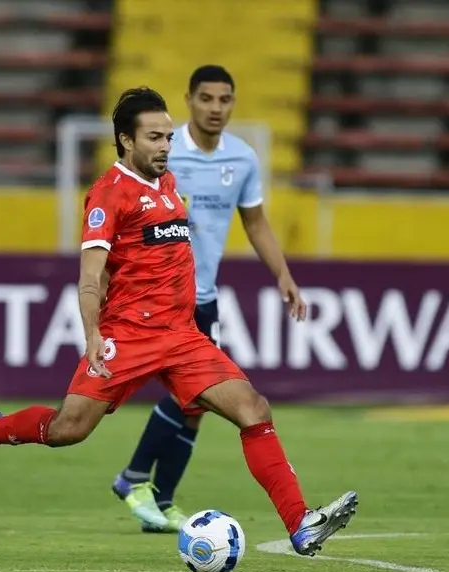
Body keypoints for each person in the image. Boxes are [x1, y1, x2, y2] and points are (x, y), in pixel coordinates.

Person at [0, 87, 357, 557]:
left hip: (181, 335)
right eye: (154, 137)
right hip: (126, 336)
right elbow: (90, 275)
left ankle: (300, 524)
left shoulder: (169, 185)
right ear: (125, 141)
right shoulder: (107, 194)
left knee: (253, 409)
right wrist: (93, 333)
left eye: (169, 138)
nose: (165, 146)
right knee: (67, 430)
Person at [110, 65, 308, 533]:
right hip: (159, 301)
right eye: (206, 99)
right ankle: (135, 477)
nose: (215, 108)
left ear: (233, 103)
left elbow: (255, 223)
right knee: (193, 398)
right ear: (189, 100)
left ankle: (159, 497)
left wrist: (282, 273)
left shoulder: (242, 159)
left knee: (195, 409)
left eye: (224, 100)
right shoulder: (164, 152)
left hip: (204, 298)